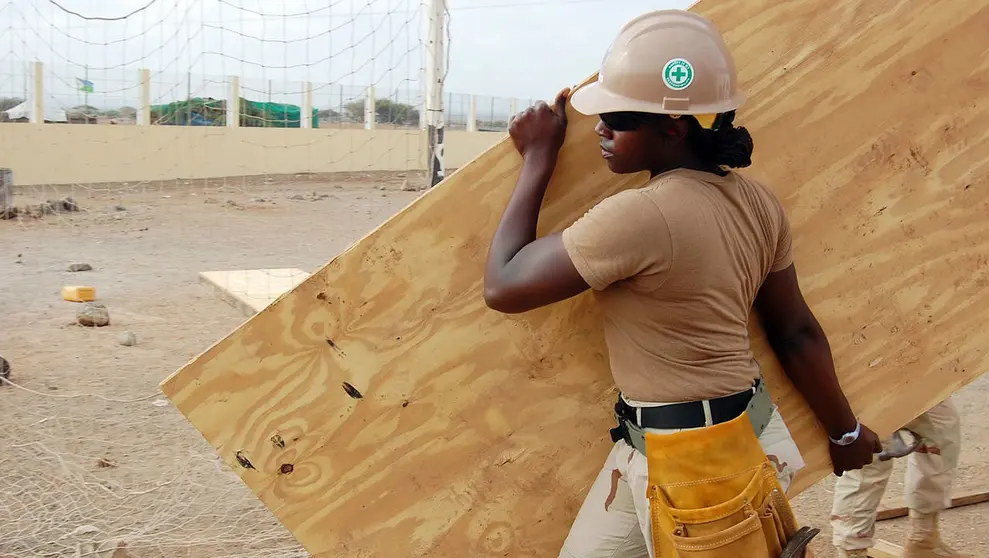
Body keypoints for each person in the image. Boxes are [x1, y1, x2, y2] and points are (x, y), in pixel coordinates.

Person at [482, 9, 882, 558]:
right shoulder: (757, 202)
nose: (600, 129)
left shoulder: (641, 216)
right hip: (690, 445)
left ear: (671, 128)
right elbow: (795, 332)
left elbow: (504, 285)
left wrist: (538, 158)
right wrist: (846, 432)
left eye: (617, 118)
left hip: (699, 470)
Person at [831, 398, 968, 558]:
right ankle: (852, 551)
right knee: (869, 463)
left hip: (918, 380)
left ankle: (924, 540)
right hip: (871, 386)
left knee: (942, 434)